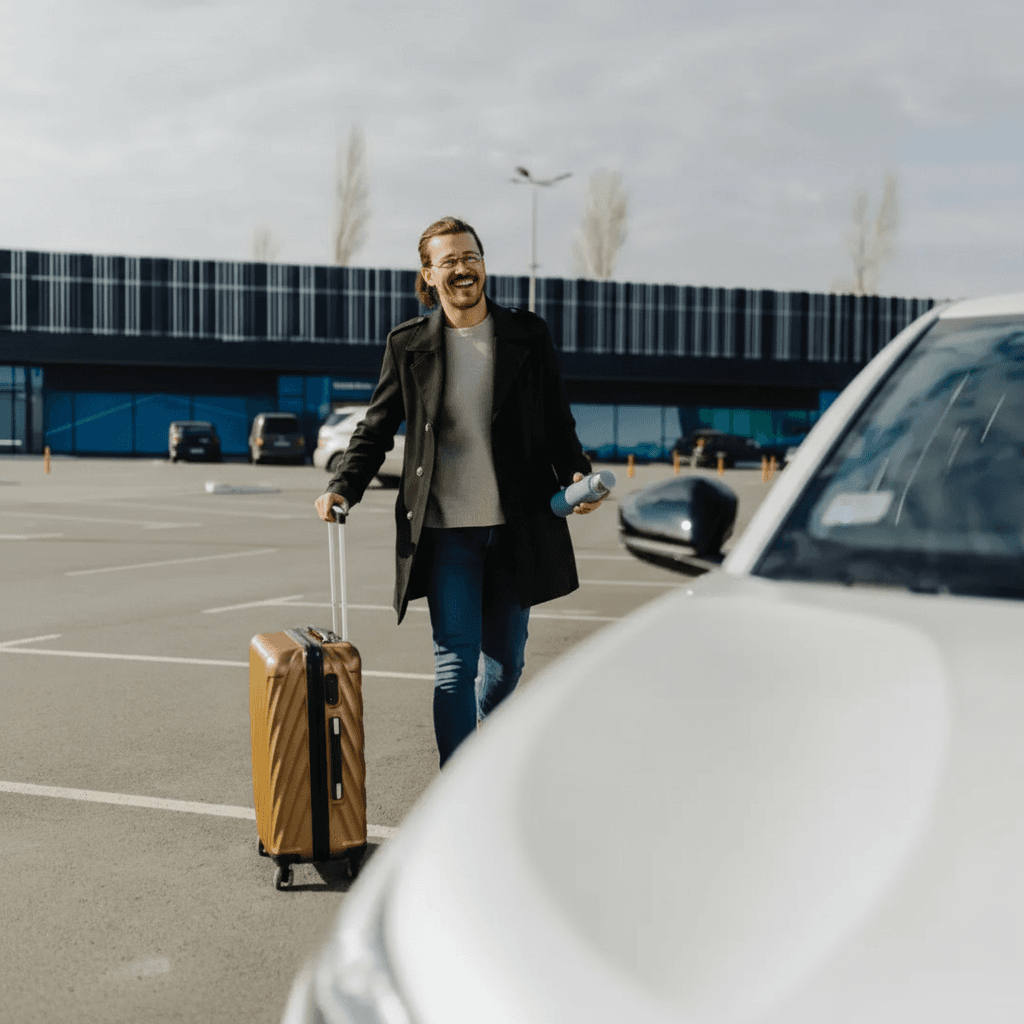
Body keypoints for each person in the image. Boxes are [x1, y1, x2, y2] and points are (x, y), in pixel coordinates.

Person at [315, 216, 604, 767]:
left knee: (506, 665)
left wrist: (575, 474)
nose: (462, 267)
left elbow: (557, 422)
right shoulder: (409, 345)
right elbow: (375, 426)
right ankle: (458, 786)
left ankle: (487, 754)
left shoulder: (527, 334)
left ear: (483, 264)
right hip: (446, 533)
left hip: (516, 527)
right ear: (429, 274)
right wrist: (342, 487)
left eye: (470, 256)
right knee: (454, 664)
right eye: (447, 260)